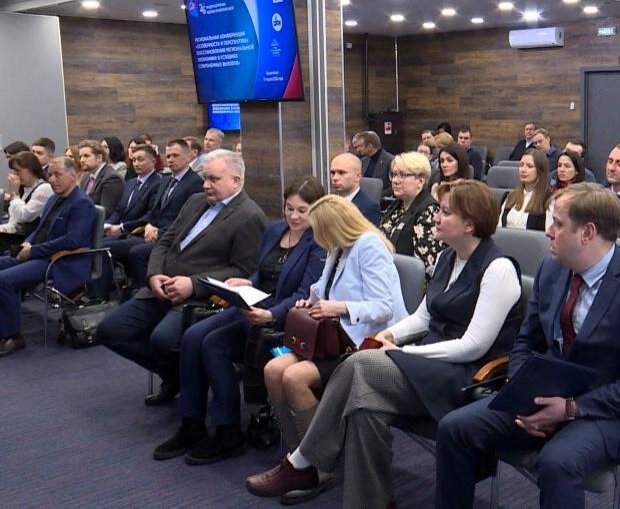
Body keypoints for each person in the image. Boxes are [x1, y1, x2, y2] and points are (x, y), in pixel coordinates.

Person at [246, 180, 525, 508]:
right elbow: (422, 318)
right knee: (365, 408)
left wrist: (404, 352)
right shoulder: (448, 257)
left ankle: (303, 461)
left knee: (360, 363)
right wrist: (388, 336)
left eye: (445, 212)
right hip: (428, 366)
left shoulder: (498, 269)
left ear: (470, 224)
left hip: (464, 377)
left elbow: (473, 346)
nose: (436, 217)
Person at [435, 182, 620, 508]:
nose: (548, 232)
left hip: (608, 409)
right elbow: (526, 341)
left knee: (557, 462)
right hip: (544, 396)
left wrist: (572, 408)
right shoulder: (552, 269)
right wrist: (522, 394)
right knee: (454, 428)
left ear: (587, 233)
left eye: (558, 224)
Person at [244, 194, 409, 501]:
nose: (315, 236)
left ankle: (317, 468)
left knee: (294, 378)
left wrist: (339, 307)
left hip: (365, 342)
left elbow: (384, 307)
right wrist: (311, 301)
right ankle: (297, 458)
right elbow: (322, 287)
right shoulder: (338, 247)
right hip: (334, 336)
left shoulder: (368, 246)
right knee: (273, 370)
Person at [153, 178, 328, 464]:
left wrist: (271, 314)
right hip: (253, 303)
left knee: (213, 344)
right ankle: (191, 423)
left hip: (281, 318)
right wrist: (247, 283)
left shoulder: (319, 242)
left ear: (317, 210)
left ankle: (228, 431)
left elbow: (303, 294)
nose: (294, 216)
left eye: (302, 210)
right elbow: (262, 272)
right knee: (192, 336)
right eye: (289, 208)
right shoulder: (275, 229)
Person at [97, 150, 267, 406]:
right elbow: (165, 241)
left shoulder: (249, 216)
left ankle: (190, 382)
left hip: (199, 298)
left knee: (162, 340)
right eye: (204, 178)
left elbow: (243, 271)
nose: (205, 184)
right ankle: (176, 376)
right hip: (161, 287)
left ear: (236, 180)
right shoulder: (196, 201)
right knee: (109, 330)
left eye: (213, 179)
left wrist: (193, 284)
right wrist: (154, 274)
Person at [0, 157, 95, 357]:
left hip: (61, 260)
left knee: (4, 280)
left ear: (73, 176)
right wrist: (28, 243)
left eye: (57, 174)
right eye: (50, 174)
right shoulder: (53, 199)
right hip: (41, 254)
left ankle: (12, 336)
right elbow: (41, 229)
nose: (52, 179)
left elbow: (72, 241)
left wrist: (34, 250)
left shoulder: (82, 203)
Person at [119, 139, 205, 293]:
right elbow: (155, 211)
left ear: (188, 157)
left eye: (175, 156)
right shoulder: (165, 180)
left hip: (173, 238)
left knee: (136, 252)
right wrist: (149, 225)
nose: (170, 160)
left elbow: (188, 219)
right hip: (151, 233)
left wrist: (159, 232)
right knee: (116, 245)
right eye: (168, 156)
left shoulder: (195, 183)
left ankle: (144, 292)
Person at [89, 144, 163, 299]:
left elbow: (149, 216)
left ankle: (99, 298)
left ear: (153, 161)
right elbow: (118, 210)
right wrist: (108, 224)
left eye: (141, 160)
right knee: (92, 241)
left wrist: (122, 227)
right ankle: (87, 291)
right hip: (121, 232)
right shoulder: (131, 182)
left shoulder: (158, 183)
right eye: (134, 160)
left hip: (139, 233)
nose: (136, 163)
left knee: (102, 248)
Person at [380, 152, 443, 275]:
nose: (395, 181)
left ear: (420, 181)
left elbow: (425, 269)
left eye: (402, 175)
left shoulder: (430, 212)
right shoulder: (396, 205)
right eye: (393, 175)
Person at [0, 152, 53, 252]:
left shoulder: (44, 189)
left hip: (30, 240)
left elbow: (23, 216)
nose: (15, 175)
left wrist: (15, 194)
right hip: (20, 234)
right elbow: (14, 218)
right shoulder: (26, 189)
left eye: (18, 170)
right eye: (13, 171)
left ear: (31, 169)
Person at [499, 149, 550, 231]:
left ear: (540, 170)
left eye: (529, 166)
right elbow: (499, 226)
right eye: (521, 165)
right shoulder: (509, 196)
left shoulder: (548, 200)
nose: (523, 170)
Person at [329, 152, 381, 226]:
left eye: (341, 173)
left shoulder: (369, 208)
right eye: (333, 173)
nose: (335, 178)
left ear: (357, 176)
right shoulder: (328, 204)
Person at [77, 139, 125, 215]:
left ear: (99, 158)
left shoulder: (112, 178)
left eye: (86, 156)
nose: (82, 160)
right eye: (80, 157)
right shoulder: (86, 176)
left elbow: (105, 213)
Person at [353, 131, 394, 198]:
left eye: (360, 146)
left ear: (370, 146)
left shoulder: (390, 160)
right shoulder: (363, 161)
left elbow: (393, 186)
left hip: (382, 200)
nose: (358, 150)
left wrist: (376, 196)